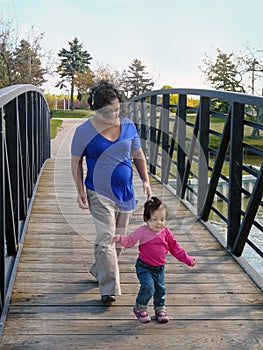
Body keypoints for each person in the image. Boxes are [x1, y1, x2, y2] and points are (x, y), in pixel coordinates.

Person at [71, 80, 152, 304]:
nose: (114, 113)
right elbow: (76, 162)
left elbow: (138, 154)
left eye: (117, 109)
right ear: (96, 109)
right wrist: (80, 191)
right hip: (98, 191)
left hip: (125, 192)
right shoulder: (84, 131)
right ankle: (109, 289)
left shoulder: (128, 126)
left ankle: (100, 270)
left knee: (118, 240)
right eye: (109, 110)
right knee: (106, 237)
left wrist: (145, 181)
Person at [111, 196, 195, 323]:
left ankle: (160, 308)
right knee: (148, 287)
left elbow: (175, 248)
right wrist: (119, 238)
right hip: (144, 266)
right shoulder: (142, 231)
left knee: (160, 289)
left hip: (159, 268)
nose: (159, 223)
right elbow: (130, 241)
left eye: (162, 219)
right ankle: (140, 307)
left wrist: (187, 259)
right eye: (155, 219)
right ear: (146, 219)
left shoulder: (166, 233)